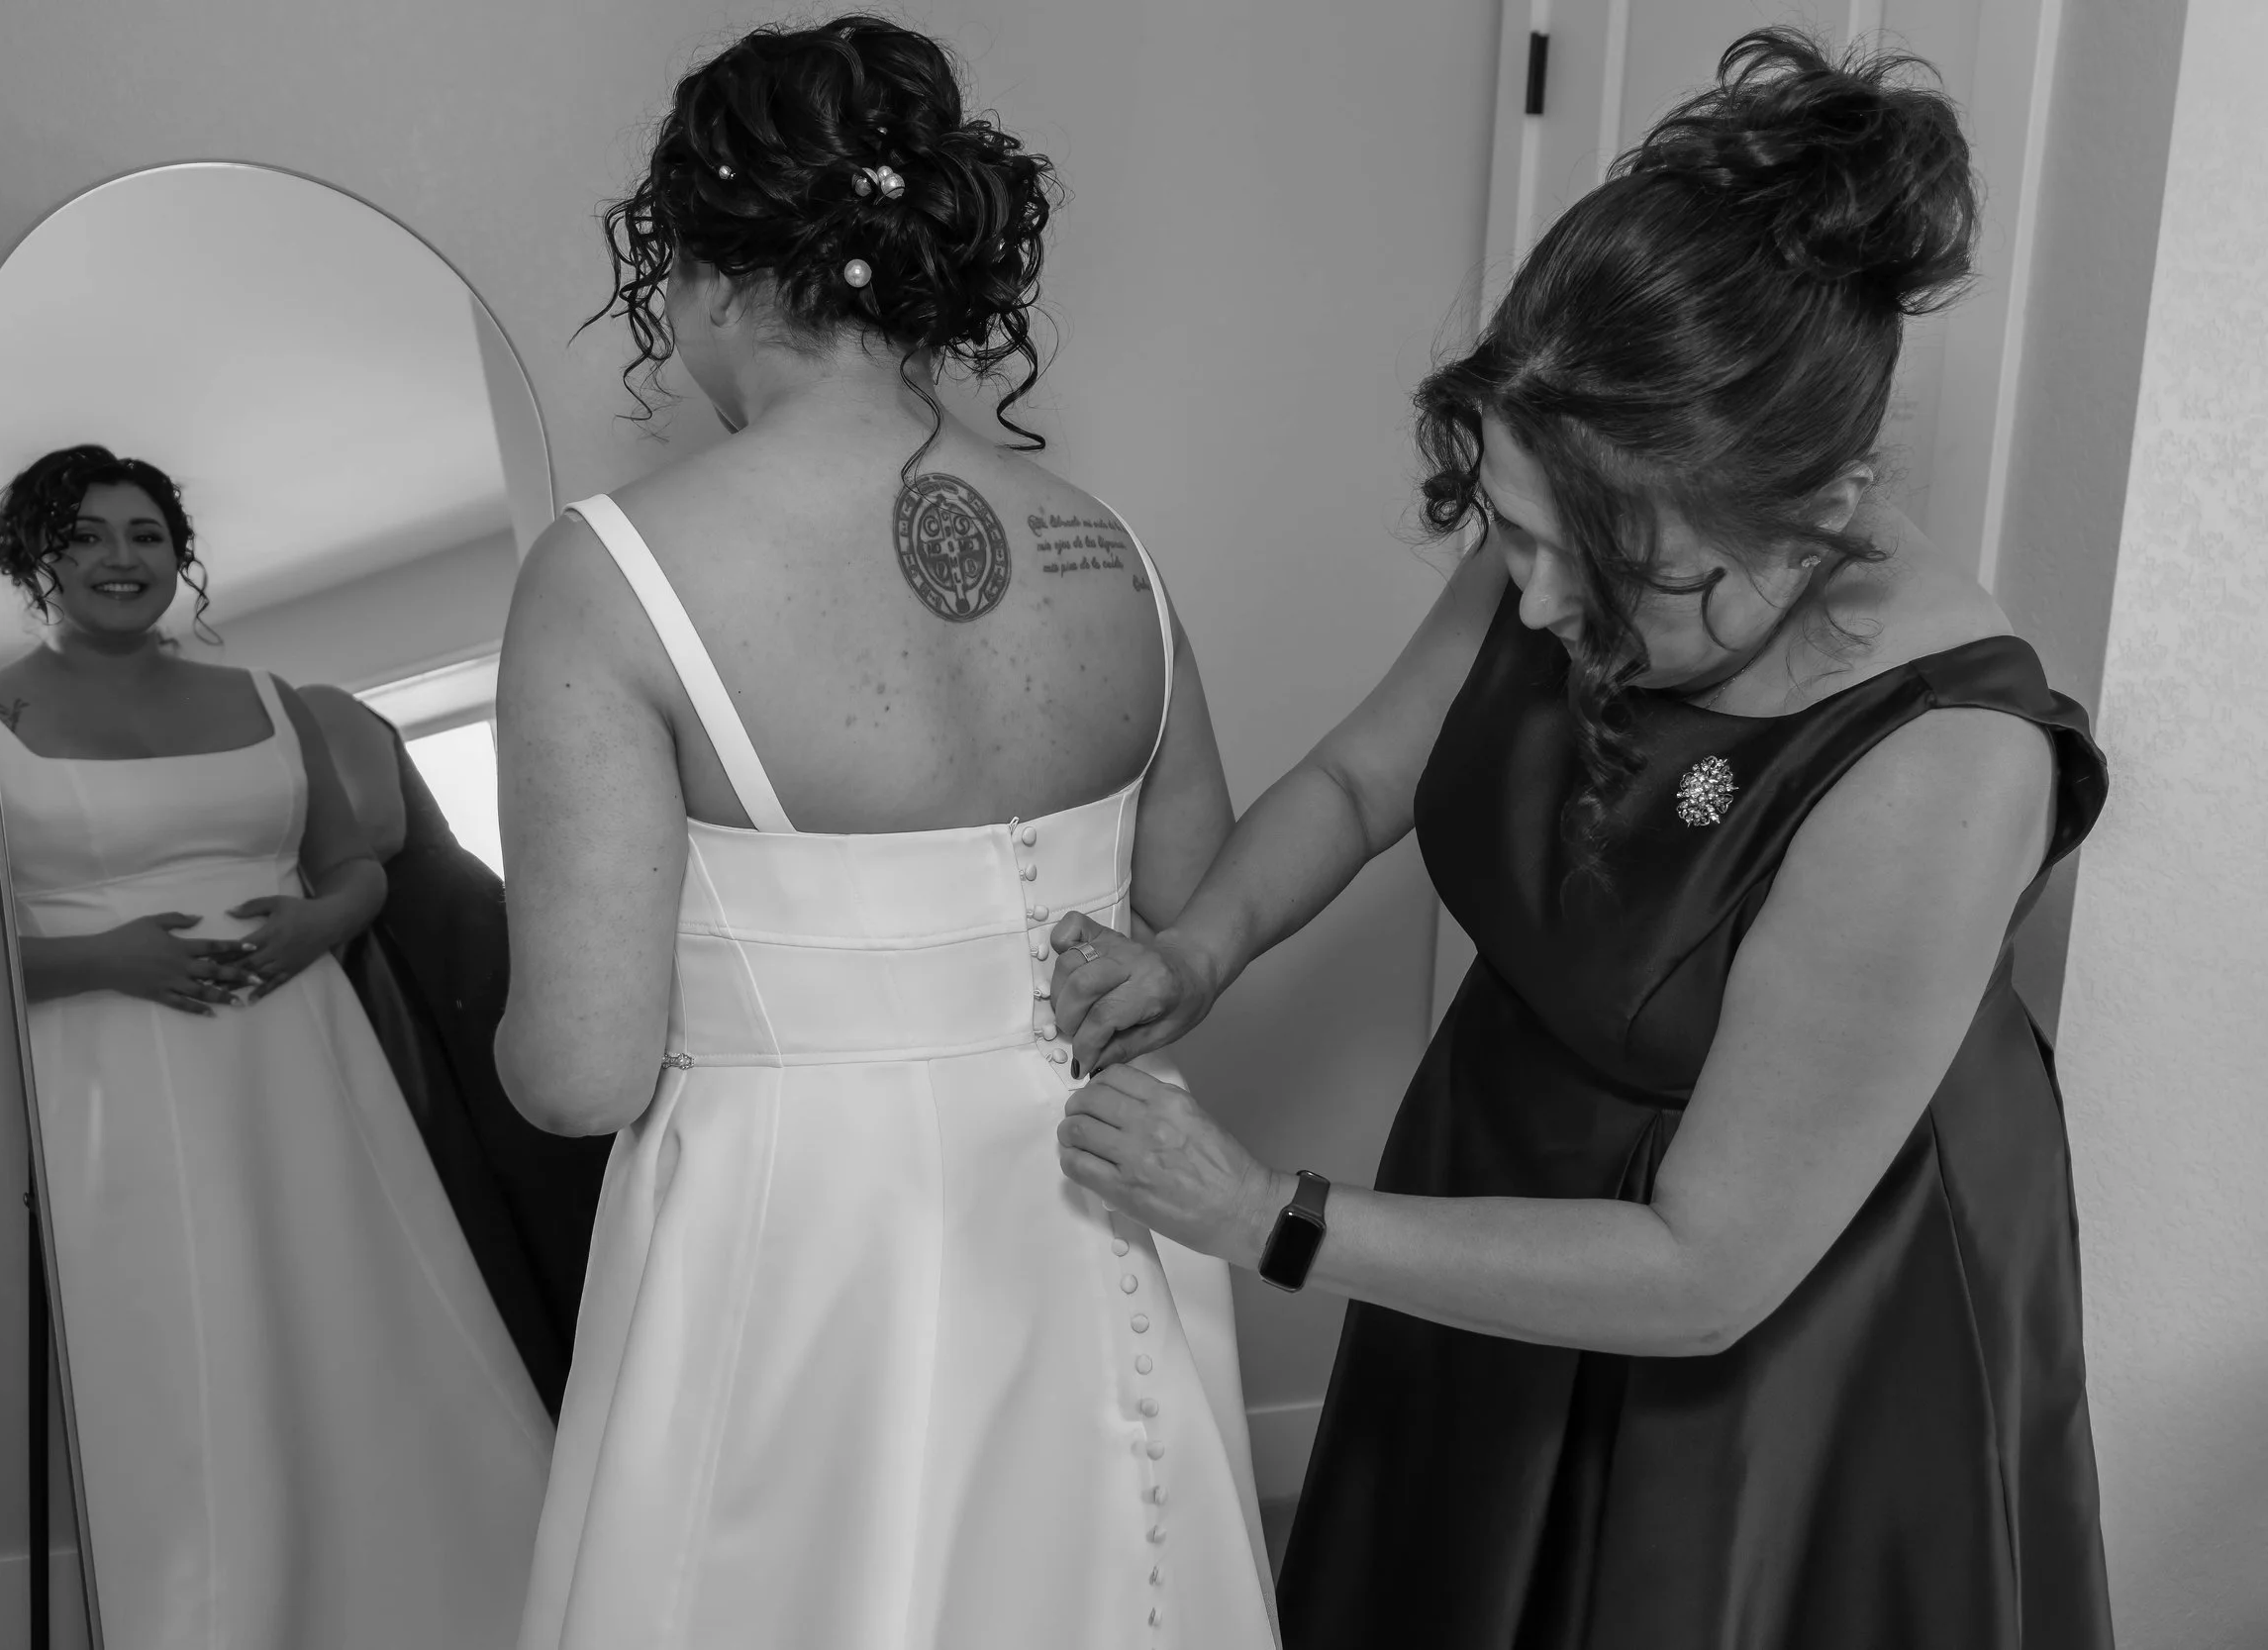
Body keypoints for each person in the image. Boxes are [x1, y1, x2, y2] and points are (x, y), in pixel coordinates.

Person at [1045, 32, 2112, 1650]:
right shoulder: (1589, 509)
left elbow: (1706, 1265)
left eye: (1592, 570)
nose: (1534, 603)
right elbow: (1363, 777)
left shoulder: (1940, 766)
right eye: (1506, 530)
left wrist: (1275, 1213)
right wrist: (1200, 946)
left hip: (1774, 1316)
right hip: (1508, 1170)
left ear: (1814, 512)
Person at [494, 18, 1278, 1649]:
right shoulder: (1107, 546)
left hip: (809, 1245)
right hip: (1103, 1191)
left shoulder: (611, 572)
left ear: (706, 270)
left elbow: (580, 1071)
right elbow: (1193, 913)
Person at [0, 444, 549, 1648]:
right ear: (37, 558)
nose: (121, 557)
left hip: (297, 1043)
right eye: (86, 535)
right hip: (113, 1066)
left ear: (178, 556)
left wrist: (313, 924)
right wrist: (106, 957)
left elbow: (355, 869)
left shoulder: (268, 699)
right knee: (183, 1329)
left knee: (354, 1302)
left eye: (146, 534)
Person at [302, 683, 614, 1415]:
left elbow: (376, 827)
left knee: (541, 1158)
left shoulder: (310, 703)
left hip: (442, 938)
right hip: (377, 966)